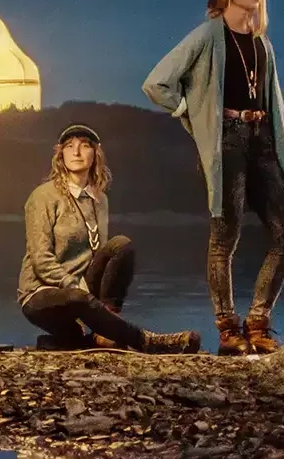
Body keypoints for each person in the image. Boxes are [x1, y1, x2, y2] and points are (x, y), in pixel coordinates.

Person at [141, 0, 284, 355]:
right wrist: (192, 112)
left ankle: (258, 323)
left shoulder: (262, 44)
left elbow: (274, 101)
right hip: (226, 140)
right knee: (224, 237)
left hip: (263, 140)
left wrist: (280, 143)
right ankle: (229, 329)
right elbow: (156, 83)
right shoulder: (207, 36)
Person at [17, 123, 201, 354]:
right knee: (78, 299)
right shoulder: (43, 196)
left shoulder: (99, 199)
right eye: (69, 146)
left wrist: (90, 293)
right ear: (60, 155)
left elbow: (98, 252)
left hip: (82, 288)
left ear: (95, 154)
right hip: (41, 293)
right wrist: (73, 285)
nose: (76, 152)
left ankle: (102, 333)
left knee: (121, 245)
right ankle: (147, 341)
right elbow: (40, 259)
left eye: (84, 146)